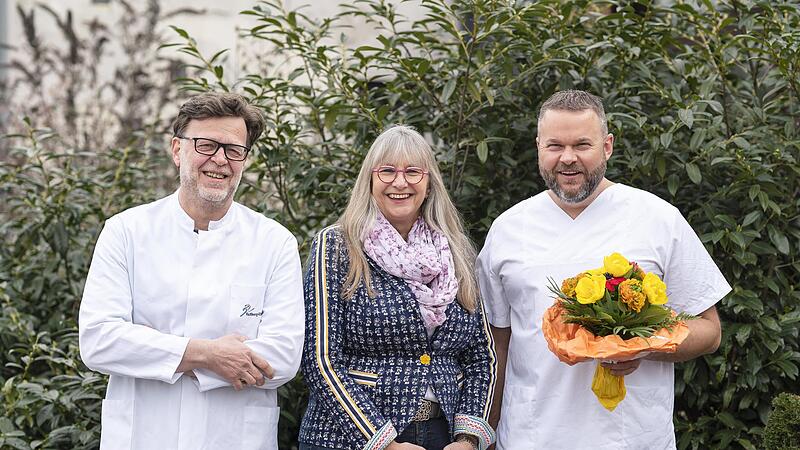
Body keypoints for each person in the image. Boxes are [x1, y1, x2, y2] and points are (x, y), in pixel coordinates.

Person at [476, 90, 731, 450]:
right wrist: (485, 432)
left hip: (633, 438)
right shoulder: (508, 229)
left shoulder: (657, 219)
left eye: (582, 144)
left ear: (607, 146)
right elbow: (494, 346)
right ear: (538, 147)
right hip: (531, 436)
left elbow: (710, 330)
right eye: (554, 146)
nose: (568, 159)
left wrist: (643, 345)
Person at [79, 92, 304, 450]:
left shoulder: (275, 243)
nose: (220, 160)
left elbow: (283, 356)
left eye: (234, 150)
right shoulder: (126, 231)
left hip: (233, 437)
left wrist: (151, 347)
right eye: (205, 145)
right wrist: (208, 354)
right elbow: (99, 340)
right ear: (177, 150)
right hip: (143, 435)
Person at [298, 125, 497, 450]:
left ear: (429, 182)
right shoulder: (336, 246)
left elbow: (480, 354)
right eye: (387, 171)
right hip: (350, 439)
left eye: (413, 172)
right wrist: (381, 442)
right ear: (371, 180)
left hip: (442, 435)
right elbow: (320, 358)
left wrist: (469, 437)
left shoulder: (455, 249)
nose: (400, 182)